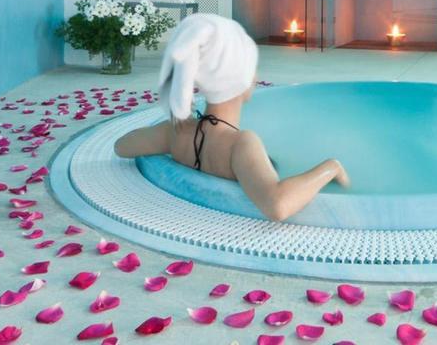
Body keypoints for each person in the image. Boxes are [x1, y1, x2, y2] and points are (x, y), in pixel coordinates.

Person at [114, 13, 349, 222]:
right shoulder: (241, 144)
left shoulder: (177, 132)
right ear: (242, 78)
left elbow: (121, 146)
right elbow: (277, 205)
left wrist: (173, 127)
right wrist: (330, 168)